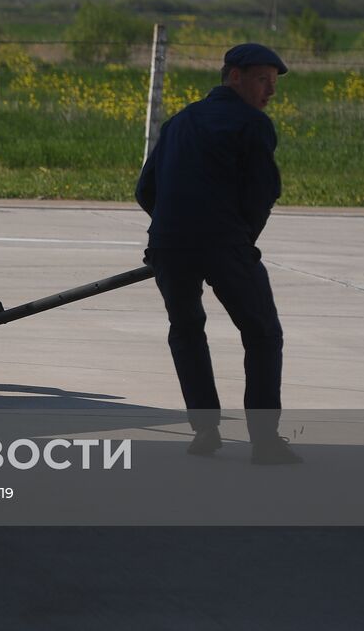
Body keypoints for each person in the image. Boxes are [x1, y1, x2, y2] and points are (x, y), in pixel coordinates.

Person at [136, 43, 302, 465]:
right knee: (263, 334)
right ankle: (264, 441)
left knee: (186, 330)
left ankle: (205, 430)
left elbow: (145, 190)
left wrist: (176, 228)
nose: (271, 91)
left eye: (274, 82)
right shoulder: (252, 124)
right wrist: (239, 235)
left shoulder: (179, 121)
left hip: (170, 245)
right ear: (234, 77)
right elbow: (262, 192)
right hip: (225, 243)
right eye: (263, 80)